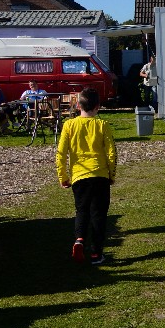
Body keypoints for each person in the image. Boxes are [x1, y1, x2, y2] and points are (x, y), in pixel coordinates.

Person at [55, 87, 117, 265]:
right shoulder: (102, 125)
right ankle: (97, 253)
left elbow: (61, 153)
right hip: (99, 175)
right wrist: (111, 174)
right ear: (98, 106)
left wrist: (63, 176)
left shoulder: (69, 125)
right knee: (99, 214)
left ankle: (79, 239)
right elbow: (111, 152)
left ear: (77, 105)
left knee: (82, 210)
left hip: (79, 176)